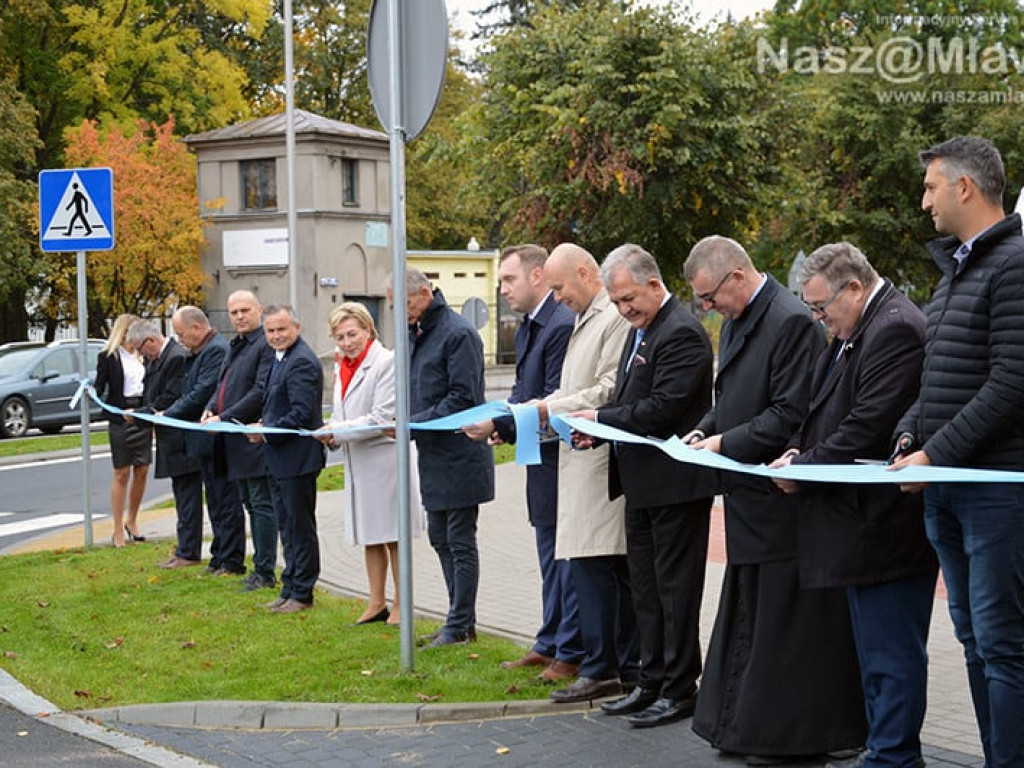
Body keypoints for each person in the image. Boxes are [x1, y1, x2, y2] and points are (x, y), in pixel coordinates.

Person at [683, 236, 865, 763]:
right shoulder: (738, 318)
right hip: (748, 500)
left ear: (737, 277)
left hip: (778, 505)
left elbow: (790, 413)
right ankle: (738, 727)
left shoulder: (790, 322)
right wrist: (703, 430)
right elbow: (731, 399)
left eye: (710, 297)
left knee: (784, 630)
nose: (708, 308)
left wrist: (724, 443)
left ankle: (787, 737)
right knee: (750, 618)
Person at [769, 242, 937, 768]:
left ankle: (893, 757)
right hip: (859, 526)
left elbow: (867, 425)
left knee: (891, 655)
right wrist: (795, 450)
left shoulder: (894, 329)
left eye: (822, 307)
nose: (818, 319)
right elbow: (818, 408)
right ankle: (885, 751)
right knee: (875, 655)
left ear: (856, 288)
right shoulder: (855, 328)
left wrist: (804, 469)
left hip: (885, 528)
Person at [890, 136, 1024, 768]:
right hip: (950, 487)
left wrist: (935, 454)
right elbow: (937, 380)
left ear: (964, 187)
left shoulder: (1014, 265)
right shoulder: (954, 275)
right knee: (974, 640)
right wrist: (909, 435)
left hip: (995, 493)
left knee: (1003, 645)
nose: (925, 203)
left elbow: (1012, 383)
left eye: (931, 188)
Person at [572, 244, 714, 728]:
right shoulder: (644, 330)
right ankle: (649, 682)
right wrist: (598, 428)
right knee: (647, 593)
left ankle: (680, 688)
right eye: (615, 302)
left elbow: (662, 409)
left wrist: (600, 419)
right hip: (642, 486)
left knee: (675, 594)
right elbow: (629, 400)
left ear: (654, 284)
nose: (623, 309)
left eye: (628, 298)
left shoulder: (682, 333)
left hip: (676, 487)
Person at [463, 245, 583, 682]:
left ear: (537, 276)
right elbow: (521, 393)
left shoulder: (560, 325)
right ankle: (550, 642)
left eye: (508, 279)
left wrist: (502, 424)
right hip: (540, 459)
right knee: (549, 556)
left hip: (562, 460)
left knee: (565, 559)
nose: (502, 289)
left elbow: (554, 398)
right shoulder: (532, 325)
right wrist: (505, 426)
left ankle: (569, 650)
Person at [534, 243, 638, 705]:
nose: (556, 297)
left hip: (598, 464)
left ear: (584, 272)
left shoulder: (612, 317)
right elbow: (578, 387)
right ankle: (611, 665)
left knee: (599, 567)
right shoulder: (585, 316)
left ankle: (603, 667)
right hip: (578, 460)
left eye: (559, 287)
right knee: (588, 567)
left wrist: (547, 407)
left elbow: (609, 389)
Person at [393, 268, 494, 647]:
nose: (401, 312)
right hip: (433, 453)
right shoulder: (416, 332)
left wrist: (411, 424)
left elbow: (462, 398)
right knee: (439, 536)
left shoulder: (457, 333)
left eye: (404, 303)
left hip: (461, 453)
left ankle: (460, 624)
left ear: (424, 293)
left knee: (459, 539)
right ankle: (458, 620)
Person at [318, 301, 423, 626]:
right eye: (340, 337)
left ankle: (401, 603)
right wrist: (332, 431)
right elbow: (342, 412)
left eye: (352, 334)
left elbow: (381, 416)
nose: (347, 342)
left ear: (368, 330)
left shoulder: (386, 362)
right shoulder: (342, 366)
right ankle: (376, 601)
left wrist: (337, 430)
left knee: (394, 534)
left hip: (385, 458)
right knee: (370, 534)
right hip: (359, 460)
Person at [201, 291, 279, 592]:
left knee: (261, 505)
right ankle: (259, 568)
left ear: (259, 310)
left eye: (245, 310)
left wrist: (224, 417)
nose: (239, 316)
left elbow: (260, 391)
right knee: (249, 503)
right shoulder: (237, 344)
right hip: (234, 438)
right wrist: (211, 408)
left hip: (253, 438)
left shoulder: (264, 344)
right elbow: (222, 384)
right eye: (234, 312)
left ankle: (265, 570)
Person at [250, 305, 326, 614]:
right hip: (279, 459)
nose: (276, 335)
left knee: (299, 527)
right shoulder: (280, 358)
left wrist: (266, 433)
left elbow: (301, 413)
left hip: (298, 459)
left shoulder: (302, 361)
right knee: (287, 526)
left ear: (297, 327)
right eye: (270, 331)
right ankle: (290, 586)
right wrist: (264, 424)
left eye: (282, 329)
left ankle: (303, 592)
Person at [160, 306, 247, 576]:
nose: (179, 340)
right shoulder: (201, 351)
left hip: (216, 441)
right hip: (204, 440)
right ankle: (219, 557)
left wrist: (168, 414)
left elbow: (202, 392)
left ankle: (230, 559)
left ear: (197, 328)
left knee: (226, 501)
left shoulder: (215, 350)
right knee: (216, 501)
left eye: (181, 333)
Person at [126, 319, 202, 568]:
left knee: (188, 496)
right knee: (181, 494)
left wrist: (142, 415)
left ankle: (188, 551)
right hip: (169, 437)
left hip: (181, 438)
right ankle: (184, 549)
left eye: (140, 349)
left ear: (150, 341)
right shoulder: (156, 359)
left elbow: (171, 396)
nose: (141, 355)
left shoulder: (175, 357)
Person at [94, 313, 151, 548]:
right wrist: (91, 392)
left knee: (143, 468)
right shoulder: (109, 356)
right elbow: (100, 387)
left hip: (142, 414)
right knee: (122, 472)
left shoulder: (144, 355)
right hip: (120, 417)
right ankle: (117, 528)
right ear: (124, 332)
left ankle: (132, 520)